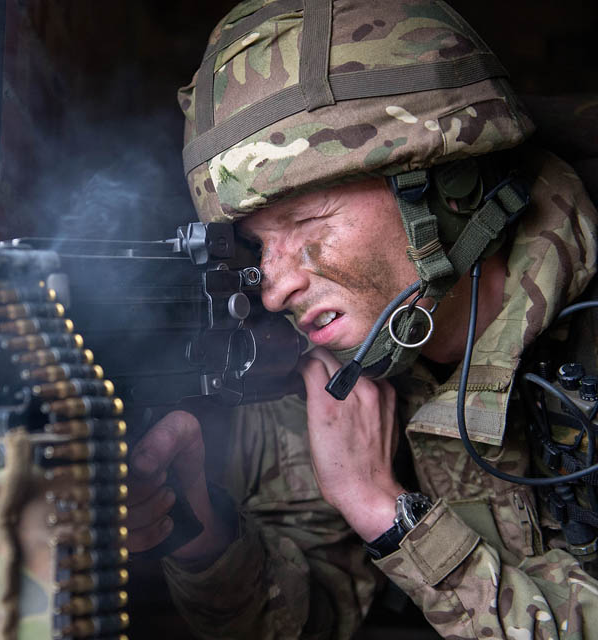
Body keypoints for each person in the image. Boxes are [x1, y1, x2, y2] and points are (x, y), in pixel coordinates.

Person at [127, 0, 598, 637]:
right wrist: (202, 528)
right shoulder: (349, 369)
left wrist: (383, 509)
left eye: (305, 222)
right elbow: (306, 619)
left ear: (443, 184)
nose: (275, 289)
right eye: (259, 244)